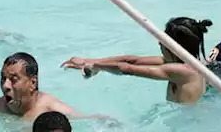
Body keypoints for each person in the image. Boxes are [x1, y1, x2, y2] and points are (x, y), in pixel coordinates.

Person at [61, 18, 212, 105]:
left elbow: (127, 69)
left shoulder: (184, 71)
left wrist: (96, 67)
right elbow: (133, 60)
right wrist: (88, 61)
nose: (159, 44)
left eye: (163, 42)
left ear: (174, 47)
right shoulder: (178, 63)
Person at [0, 53, 81, 121]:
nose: (5, 85)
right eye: (3, 78)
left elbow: (89, 121)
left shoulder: (53, 111)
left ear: (33, 83)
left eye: (13, 79)